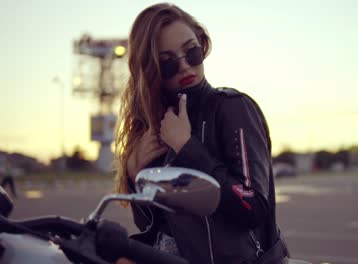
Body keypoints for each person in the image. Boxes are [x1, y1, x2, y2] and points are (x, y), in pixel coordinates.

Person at [114, 3, 289, 264]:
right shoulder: (157, 126)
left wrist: (187, 148)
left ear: (202, 46)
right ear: (151, 70)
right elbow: (153, 224)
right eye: (168, 62)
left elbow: (253, 207)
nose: (185, 66)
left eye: (191, 52)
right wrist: (135, 175)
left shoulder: (232, 108)